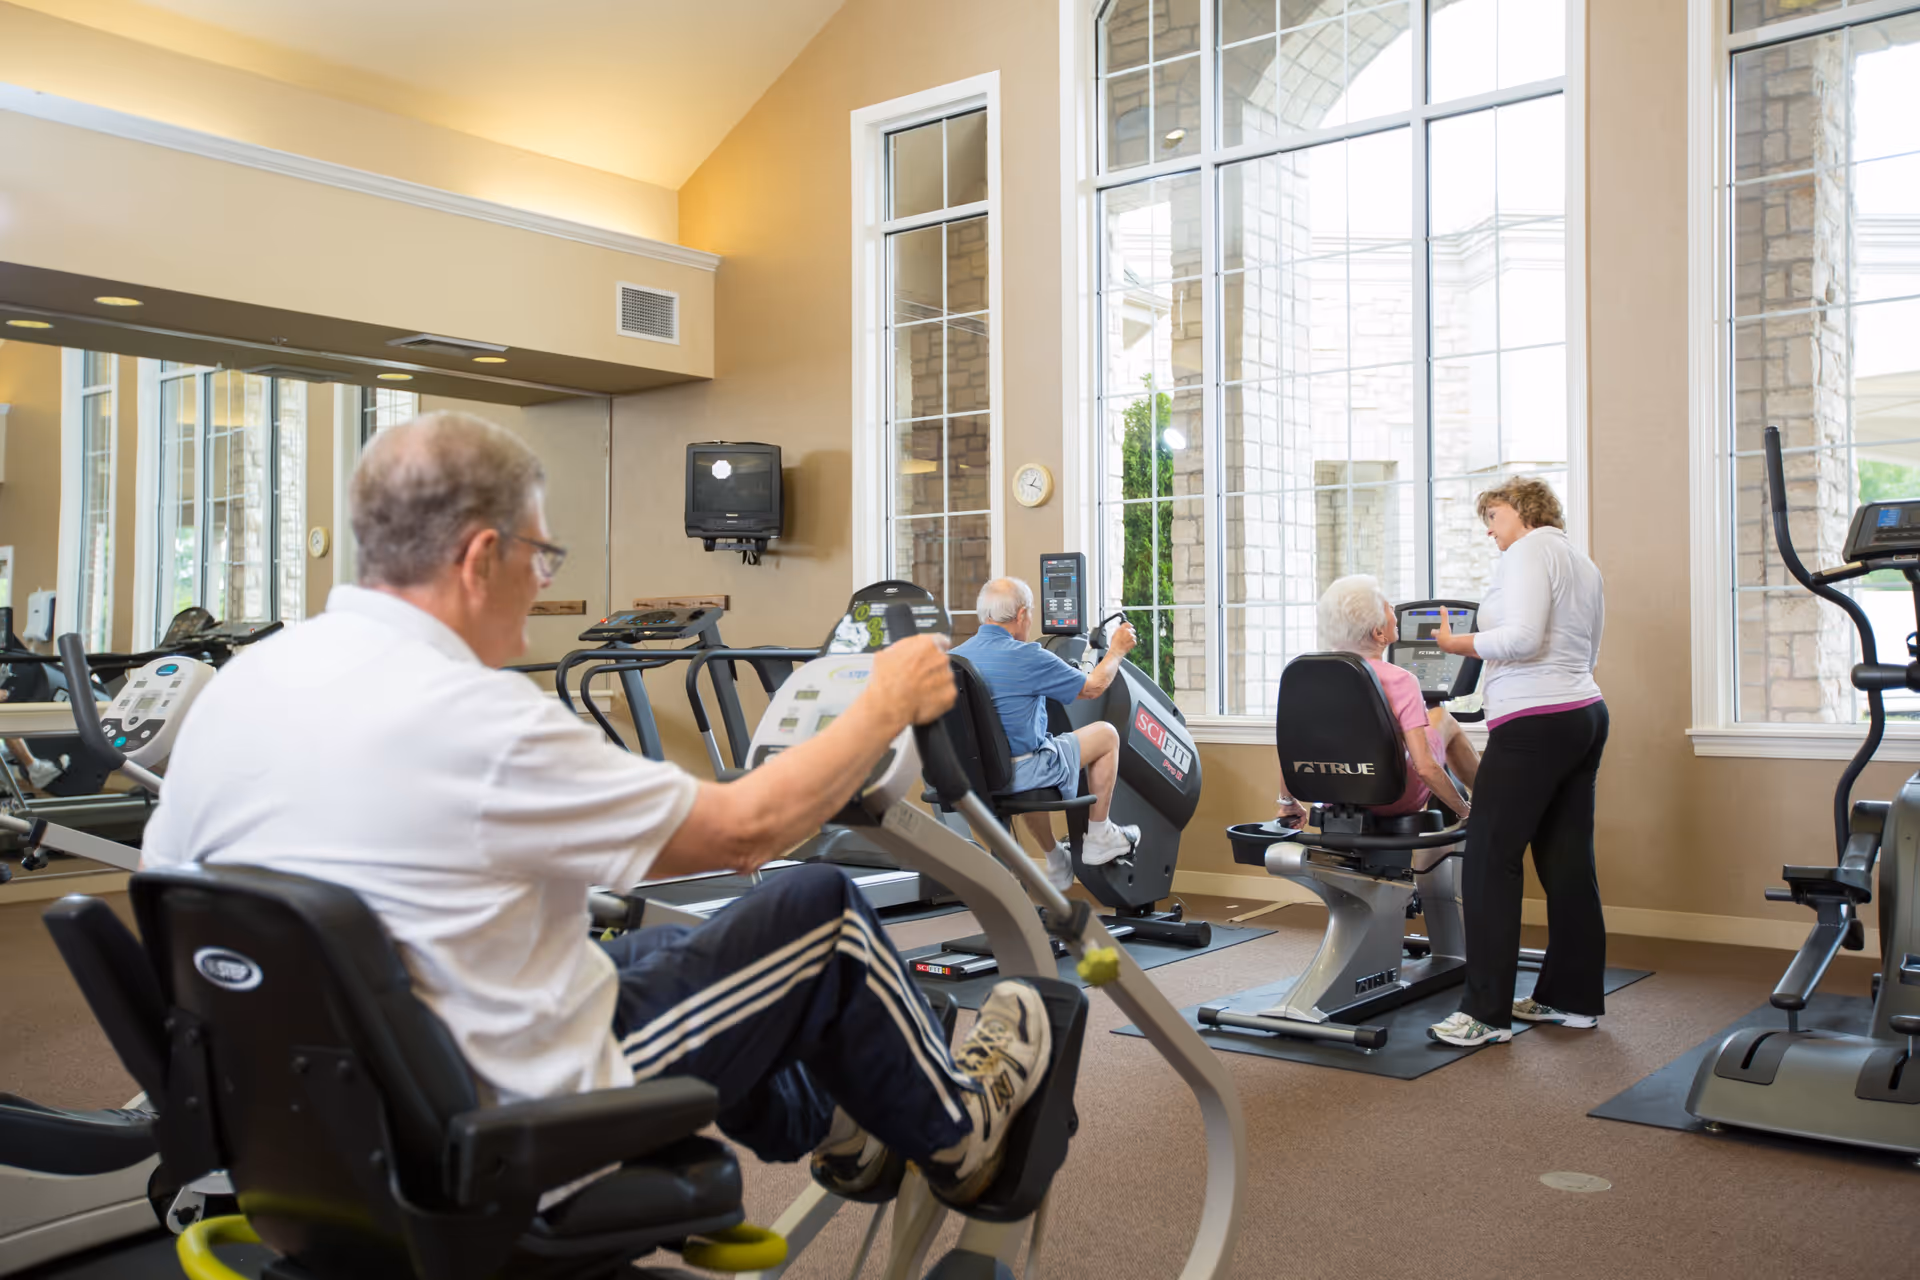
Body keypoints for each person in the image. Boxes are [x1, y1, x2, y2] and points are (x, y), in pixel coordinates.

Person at [141, 412, 1050, 1207]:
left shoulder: (243, 685)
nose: (543, 584)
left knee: (669, 950)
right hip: (491, 1115)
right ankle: (955, 1130)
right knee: (815, 912)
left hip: (307, 1109)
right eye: (541, 556)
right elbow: (742, 833)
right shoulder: (478, 718)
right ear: (481, 556)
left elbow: (169, 902)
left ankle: (845, 1124)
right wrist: (883, 704)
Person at [1426, 477, 1607, 1048]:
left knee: (1487, 859)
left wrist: (1460, 645)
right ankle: (1570, 999)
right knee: (1566, 858)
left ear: (1524, 511)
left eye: (1494, 516)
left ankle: (1485, 1014)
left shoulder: (1531, 550)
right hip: (1583, 713)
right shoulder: (1581, 562)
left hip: (1534, 725)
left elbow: (1525, 639)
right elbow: (1582, 649)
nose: (1489, 529)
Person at [950, 579, 1140, 891]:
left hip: (972, 775)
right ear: (1022, 615)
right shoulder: (1028, 656)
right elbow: (1093, 687)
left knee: (1036, 754)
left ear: (984, 615)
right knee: (1106, 735)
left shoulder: (953, 659)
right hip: (1020, 773)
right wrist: (1117, 650)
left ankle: (1055, 859)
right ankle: (1099, 835)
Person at [1276, 574, 1477, 834]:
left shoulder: (1307, 677)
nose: (1395, 612)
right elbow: (1425, 767)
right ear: (1378, 632)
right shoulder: (1402, 680)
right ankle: (1491, 802)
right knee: (1441, 717)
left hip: (1331, 794)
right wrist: (1466, 812)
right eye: (1389, 607)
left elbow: (1292, 749)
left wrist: (1288, 802)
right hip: (1393, 796)